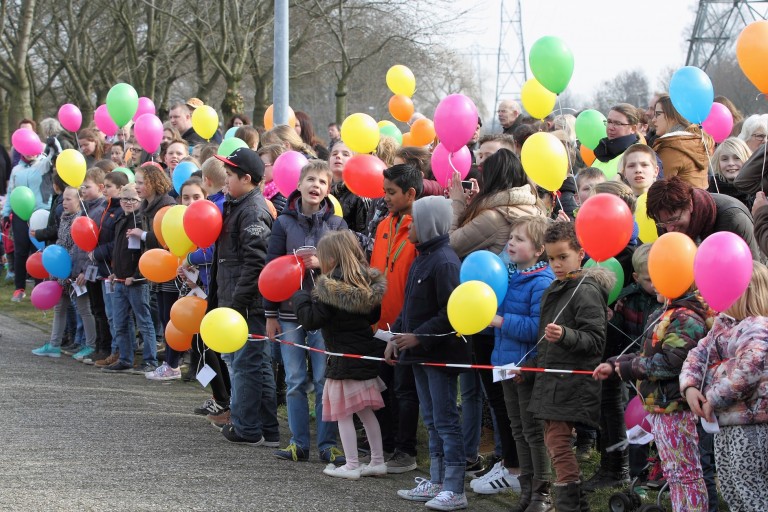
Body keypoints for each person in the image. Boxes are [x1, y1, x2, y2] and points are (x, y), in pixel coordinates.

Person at [594, 287, 714, 512]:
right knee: (674, 473)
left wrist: (630, 368)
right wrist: (615, 364)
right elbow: (647, 355)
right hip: (662, 406)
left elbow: (671, 364)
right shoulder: (666, 312)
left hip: (677, 407)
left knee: (686, 475)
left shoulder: (686, 318)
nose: (655, 285)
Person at [264, 160, 347, 464]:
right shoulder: (283, 223)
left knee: (326, 380)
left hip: (326, 316)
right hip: (289, 315)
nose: (315, 186)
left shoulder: (337, 225)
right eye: (310, 180)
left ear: (328, 190)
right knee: (296, 380)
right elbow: (270, 271)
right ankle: (299, 444)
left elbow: (349, 269)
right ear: (298, 186)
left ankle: (328, 445)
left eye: (322, 182)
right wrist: (270, 315)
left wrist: (323, 264)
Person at [391, 196, 470, 511]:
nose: (409, 225)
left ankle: (455, 487)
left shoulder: (445, 261)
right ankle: (437, 481)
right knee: (432, 419)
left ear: (428, 224)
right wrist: (394, 334)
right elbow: (409, 305)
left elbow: (450, 312)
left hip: (437, 354)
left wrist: (419, 337)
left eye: (414, 219)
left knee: (446, 419)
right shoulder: (421, 256)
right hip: (419, 354)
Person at [530, 221, 614, 511]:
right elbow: (544, 343)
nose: (556, 264)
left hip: (571, 381)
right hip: (553, 379)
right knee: (554, 439)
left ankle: (569, 505)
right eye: (551, 258)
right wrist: (530, 366)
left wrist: (566, 335)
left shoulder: (585, 290)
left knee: (557, 441)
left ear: (580, 253)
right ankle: (577, 504)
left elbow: (595, 340)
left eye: (562, 257)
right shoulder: (558, 288)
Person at [292, 230, 387, 480]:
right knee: (366, 412)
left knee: (343, 412)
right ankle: (377, 460)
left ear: (331, 259)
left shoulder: (328, 287)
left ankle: (351, 464)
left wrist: (301, 296)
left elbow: (312, 320)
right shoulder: (365, 282)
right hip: (363, 353)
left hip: (342, 358)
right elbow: (374, 317)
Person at [681, 262, 768, 512]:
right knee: (730, 486)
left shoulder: (758, 327)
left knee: (751, 488)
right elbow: (696, 356)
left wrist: (712, 398)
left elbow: (747, 372)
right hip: (725, 423)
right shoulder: (723, 325)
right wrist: (689, 387)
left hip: (752, 424)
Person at [209, 147, 279, 446]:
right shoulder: (237, 205)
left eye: (230, 176)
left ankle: (247, 428)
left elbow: (256, 262)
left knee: (245, 365)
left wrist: (236, 304)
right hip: (236, 300)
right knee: (255, 365)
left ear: (247, 178)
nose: (225, 181)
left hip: (247, 305)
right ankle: (268, 429)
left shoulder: (252, 210)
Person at [484, 215, 554, 510]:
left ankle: (542, 492)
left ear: (539, 250)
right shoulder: (508, 274)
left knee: (533, 430)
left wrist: (499, 320)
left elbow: (536, 329)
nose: (511, 243)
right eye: (511, 237)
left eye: (520, 239)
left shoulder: (541, 281)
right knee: (516, 427)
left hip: (526, 367)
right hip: (505, 363)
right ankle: (526, 489)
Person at [585, 244, 662, 492]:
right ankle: (635, 468)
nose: (656, 284)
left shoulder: (668, 298)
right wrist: (610, 317)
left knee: (660, 418)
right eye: (650, 279)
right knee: (635, 414)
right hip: (632, 367)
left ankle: (660, 465)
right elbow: (617, 331)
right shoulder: (627, 298)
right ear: (637, 277)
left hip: (657, 367)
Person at [369, 164, 422, 474]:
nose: (385, 197)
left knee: (405, 390)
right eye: (384, 191)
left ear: (411, 194)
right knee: (381, 387)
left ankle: (406, 450)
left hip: (406, 325)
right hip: (379, 323)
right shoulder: (383, 225)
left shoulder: (419, 229)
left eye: (391, 192)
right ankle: (385, 444)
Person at [31, 187, 98, 360]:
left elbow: (83, 248)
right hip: (61, 272)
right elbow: (61, 242)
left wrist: (81, 271)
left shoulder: (81, 220)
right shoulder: (64, 218)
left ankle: (90, 345)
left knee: (84, 308)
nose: (64, 203)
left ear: (79, 200)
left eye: (69, 199)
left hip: (76, 273)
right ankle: (54, 344)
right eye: (63, 200)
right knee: (60, 307)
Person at [100, 183, 159, 373]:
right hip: (119, 280)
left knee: (144, 321)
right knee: (120, 321)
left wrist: (136, 276)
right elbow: (119, 250)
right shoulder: (120, 220)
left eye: (133, 199)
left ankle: (150, 360)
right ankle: (125, 358)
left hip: (136, 282)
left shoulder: (141, 222)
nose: (128, 202)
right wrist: (115, 271)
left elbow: (145, 253)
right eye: (124, 199)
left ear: (140, 200)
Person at [131, 163, 179, 378]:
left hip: (169, 270)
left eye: (141, 182)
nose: (137, 186)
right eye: (136, 182)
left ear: (154, 182)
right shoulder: (146, 207)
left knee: (170, 319)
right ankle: (169, 362)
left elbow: (164, 238)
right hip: (156, 272)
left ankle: (173, 364)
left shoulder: (166, 205)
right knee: (162, 315)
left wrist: (142, 235)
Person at [646, 176, 762, 261]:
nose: (669, 229)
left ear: (690, 205)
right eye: (663, 223)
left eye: (674, 219)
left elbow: (755, 273)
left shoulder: (733, 219)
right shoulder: (664, 220)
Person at [2, 132, 57, 302]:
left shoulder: (43, 165)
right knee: (20, 251)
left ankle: (40, 286)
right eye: (26, 150)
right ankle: (19, 288)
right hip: (19, 214)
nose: (30, 153)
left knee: (39, 250)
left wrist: (54, 143)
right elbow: (11, 192)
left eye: (33, 149)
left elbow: (57, 156)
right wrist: (5, 213)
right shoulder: (16, 170)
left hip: (40, 213)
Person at [90, 171, 131, 368]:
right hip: (105, 270)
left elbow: (116, 242)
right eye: (104, 186)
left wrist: (97, 253)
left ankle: (120, 352)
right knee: (109, 313)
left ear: (121, 188)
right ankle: (116, 350)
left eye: (108, 186)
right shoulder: (108, 208)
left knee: (117, 315)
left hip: (114, 268)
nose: (104, 189)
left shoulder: (121, 211)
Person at [78, 168, 112, 364]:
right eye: (81, 186)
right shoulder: (85, 208)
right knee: (96, 308)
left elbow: (96, 242)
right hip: (89, 266)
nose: (83, 190)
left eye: (87, 186)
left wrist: (86, 266)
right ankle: (99, 346)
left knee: (100, 309)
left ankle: (104, 347)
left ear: (100, 188)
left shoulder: (99, 210)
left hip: (97, 267)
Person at [651, 94, 713, 189]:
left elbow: (658, 189)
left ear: (673, 115)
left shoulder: (672, 146)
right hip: (700, 202)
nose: (653, 120)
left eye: (658, 114)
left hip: (677, 203)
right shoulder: (696, 141)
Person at [592, 103, 643, 180]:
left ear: (633, 128)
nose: (610, 127)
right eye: (609, 122)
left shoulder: (639, 154)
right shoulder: (601, 150)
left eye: (617, 123)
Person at [329, 141, 370, 233]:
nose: (338, 156)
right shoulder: (322, 190)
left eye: (345, 154)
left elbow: (364, 235)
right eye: (334, 153)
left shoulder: (360, 195)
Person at [707, 137, 753, 210]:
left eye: (737, 158)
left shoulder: (758, 191)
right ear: (718, 163)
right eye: (724, 159)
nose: (731, 163)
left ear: (747, 160)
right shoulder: (709, 192)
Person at [257, 143, 288, 215]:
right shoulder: (259, 188)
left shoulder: (282, 196)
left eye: (262, 165)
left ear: (278, 165)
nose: (258, 168)